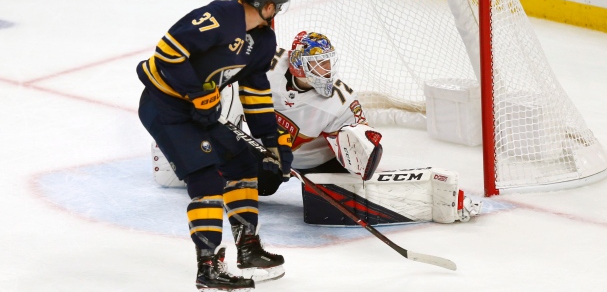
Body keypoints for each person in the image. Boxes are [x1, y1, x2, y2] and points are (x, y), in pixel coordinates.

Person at [152, 31, 482, 227]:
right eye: (317, 64)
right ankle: (192, 158)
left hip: (314, 161)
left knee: (335, 196)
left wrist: (361, 147)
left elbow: (364, 149)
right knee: (263, 184)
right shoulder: (266, 66)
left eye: (328, 63)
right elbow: (222, 84)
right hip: (265, 148)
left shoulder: (338, 100)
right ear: (296, 63)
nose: (325, 71)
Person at [137, 0, 293, 291]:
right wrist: (197, 94)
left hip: (200, 112)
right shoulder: (220, 15)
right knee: (206, 178)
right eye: (277, 4)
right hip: (165, 108)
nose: (276, 11)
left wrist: (271, 141)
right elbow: (168, 52)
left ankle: (247, 248)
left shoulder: (263, 40)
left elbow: (256, 90)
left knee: (243, 163)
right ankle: (208, 268)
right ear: (267, 4)